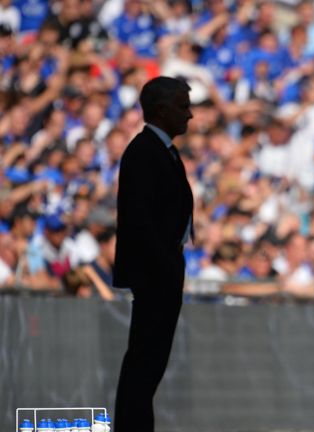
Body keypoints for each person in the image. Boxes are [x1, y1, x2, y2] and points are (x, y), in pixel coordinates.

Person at [113, 76, 194, 432]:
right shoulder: (145, 152)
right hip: (155, 274)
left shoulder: (162, 151)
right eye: (182, 106)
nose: (189, 115)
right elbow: (140, 221)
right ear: (161, 110)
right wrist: (165, 266)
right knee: (144, 364)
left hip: (162, 270)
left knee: (149, 365)